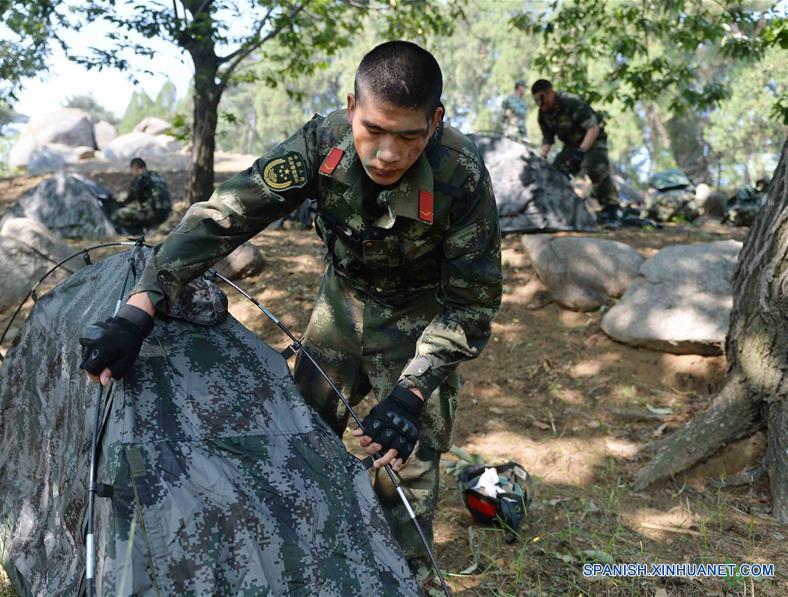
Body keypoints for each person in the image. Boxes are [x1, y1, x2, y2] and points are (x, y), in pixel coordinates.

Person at [78, 41, 502, 578]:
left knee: (407, 464)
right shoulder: (321, 143)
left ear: (435, 120)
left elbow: (473, 304)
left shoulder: (460, 175)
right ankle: (296, 565)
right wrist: (140, 309)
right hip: (341, 306)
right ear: (352, 108)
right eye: (373, 129)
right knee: (296, 435)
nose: (388, 153)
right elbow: (225, 216)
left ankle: (404, 578)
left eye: (409, 136)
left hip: (422, 319)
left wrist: (412, 392)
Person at [531, 79, 621, 228]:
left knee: (597, 169)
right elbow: (548, 140)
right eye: (537, 100)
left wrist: (581, 152)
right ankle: (557, 210)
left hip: (593, 140)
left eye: (543, 99)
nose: (541, 104)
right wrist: (541, 159)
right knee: (556, 172)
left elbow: (593, 129)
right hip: (571, 145)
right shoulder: (543, 114)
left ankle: (610, 211)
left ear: (551, 93)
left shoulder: (571, 102)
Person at [109, 157, 173, 234]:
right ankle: (152, 228)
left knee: (116, 215)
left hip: (152, 214)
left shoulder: (140, 178)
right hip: (166, 214)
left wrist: (117, 198)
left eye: (132, 170)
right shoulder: (157, 176)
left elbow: (130, 197)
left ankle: (137, 233)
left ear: (135, 168)